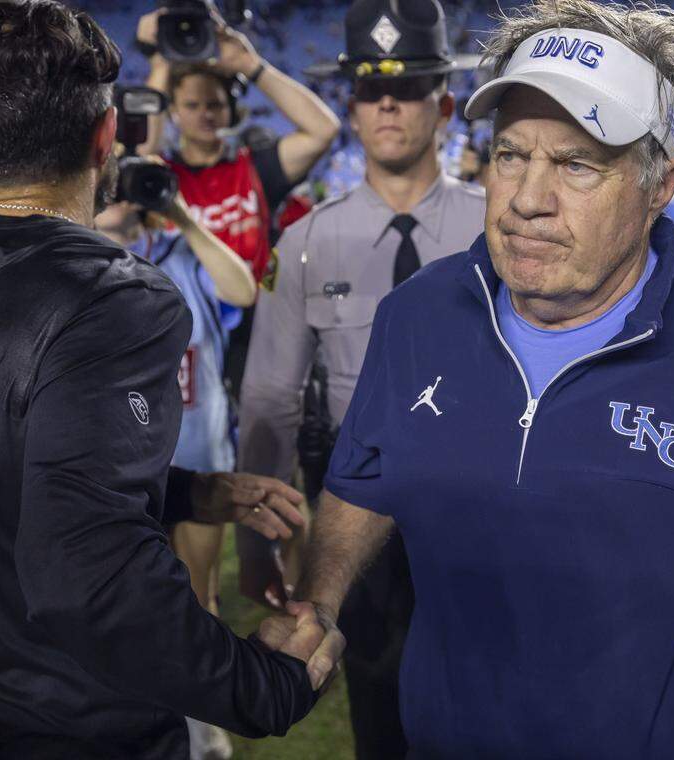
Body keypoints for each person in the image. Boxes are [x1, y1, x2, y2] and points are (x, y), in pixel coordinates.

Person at [290, 1, 674, 757]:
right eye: (510, 155)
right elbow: (361, 482)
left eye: (577, 164)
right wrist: (321, 602)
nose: (527, 199)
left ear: (663, 183)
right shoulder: (416, 317)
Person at [0, 3, 342, 757]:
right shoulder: (115, 297)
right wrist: (261, 682)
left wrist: (183, 490)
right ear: (106, 137)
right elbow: (86, 571)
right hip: (68, 727)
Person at [237, 2, 484, 756]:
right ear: (349, 105)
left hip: (482, 503)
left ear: (443, 103)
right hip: (360, 506)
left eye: (408, 87)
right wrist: (259, 537)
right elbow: (270, 399)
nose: (387, 102)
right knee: (377, 699)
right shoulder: (307, 241)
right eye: (371, 88)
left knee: (489, 696)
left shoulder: (501, 231)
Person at [95, 188, 257, 760]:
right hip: (119, 468)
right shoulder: (79, 257)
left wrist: (183, 218)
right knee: (128, 607)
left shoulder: (178, 250)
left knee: (196, 600)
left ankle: (201, 727)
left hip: (197, 458)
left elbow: (243, 289)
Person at [136, 8, 341, 395]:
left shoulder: (255, 168)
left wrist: (252, 65)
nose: (205, 114)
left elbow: (323, 129)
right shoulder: (154, 178)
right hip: (177, 335)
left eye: (214, 104)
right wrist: (161, 64)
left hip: (256, 335)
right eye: (192, 106)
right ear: (173, 111)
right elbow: (139, 147)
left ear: (230, 108)